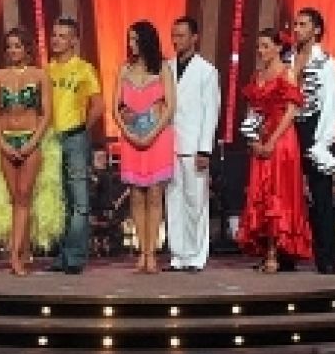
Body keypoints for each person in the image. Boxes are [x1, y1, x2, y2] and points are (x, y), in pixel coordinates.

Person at [0, 27, 62, 276]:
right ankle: (22, 251)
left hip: (31, 139)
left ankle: (15, 255)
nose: (13, 51)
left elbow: (47, 114)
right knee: (14, 198)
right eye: (9, 46)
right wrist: (3, 144)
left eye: (17, 46)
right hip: (6, 140)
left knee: (24, 196)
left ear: (27, 49)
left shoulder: (40, 76)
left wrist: (33, 143)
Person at [238, 28, 310, 273]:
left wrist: (272, 141)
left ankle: (275, 252)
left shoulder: (287, 72)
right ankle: (265, 249)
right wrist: (253, 139)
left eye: (266, 46)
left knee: (278, 194)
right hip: (261, 137)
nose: (261, 51)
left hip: (282, 140)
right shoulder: (257, 75)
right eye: (259, 46)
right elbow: (252, 111)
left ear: (279, 47)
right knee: (261, 192)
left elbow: (291, 111)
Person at [113, 20, 176, 273]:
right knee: (137, 197)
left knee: (154, 196)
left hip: (158, 138)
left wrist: (152, 134)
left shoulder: (163, 68)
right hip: (131, 140)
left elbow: (170, 106)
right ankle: (141, 253)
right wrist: (127, 132)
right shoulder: (124, 69)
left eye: (135, 40)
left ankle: (152, 254)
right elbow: (115, 108)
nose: (131, 44)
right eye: (129, 39)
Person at [284, 8, 335, 274]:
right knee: (288, 194)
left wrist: (322, 142)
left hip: (314, 128)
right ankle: (287, 253)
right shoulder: (287, 59)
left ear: (317, 30)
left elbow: (332, 104)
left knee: (321, 196)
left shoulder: (327, 62)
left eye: (303, 24)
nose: (297, 29)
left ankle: (326, 257)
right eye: (296, 24)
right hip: (289, 128)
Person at [46, 17, 104, 274]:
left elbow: (98, 105)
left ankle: (75, 256)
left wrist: (81, 128)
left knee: (79, 200)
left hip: (75, 137)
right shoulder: (46, 70)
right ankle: (61, 256)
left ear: (73, 41)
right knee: (59, 199)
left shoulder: (84, 69)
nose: (56, 40)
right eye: (54, 35)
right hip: (50, 140)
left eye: (62, 36)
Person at [164, 16, 221, 273]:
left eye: (181, 35)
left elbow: (211, 112)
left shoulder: (207, 71)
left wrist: (204, 148)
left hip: (194, 144)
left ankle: (196, 256)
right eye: (174, 35)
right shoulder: (166, 68)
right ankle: (178, 255)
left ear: (194, 38)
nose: (176, 40)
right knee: (173, 200)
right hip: (169, 144)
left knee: (195, 202)